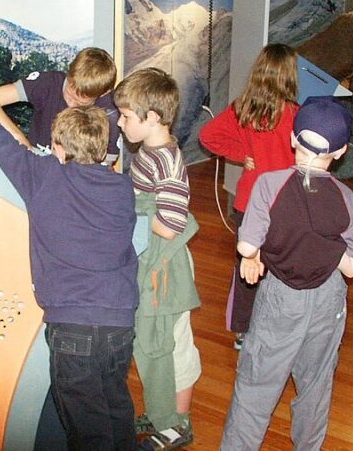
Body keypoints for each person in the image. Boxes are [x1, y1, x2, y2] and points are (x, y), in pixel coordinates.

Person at [0, 68, 141, 450]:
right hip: (120, 323)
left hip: (73, 326)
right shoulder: (122, 188)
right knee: (115, 408)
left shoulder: (43, 177)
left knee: (86, 427)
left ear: (59, 150)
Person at [220, 96, 353, 450]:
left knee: (257, 383)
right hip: (329, 299)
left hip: (281, 298)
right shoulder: (346, 196)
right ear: (341, 151)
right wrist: (324, 245)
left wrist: (254, 255)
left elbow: (246, 246)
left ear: (292, 139)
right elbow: (352, 266)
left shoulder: (269, 184)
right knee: (316, 383)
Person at [113, 68, 201, 450]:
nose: (120, 123)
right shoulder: (150, 152)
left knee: (172, 345)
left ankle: (178, 423)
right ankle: (162, 410)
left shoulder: (165, 160)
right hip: (155, 264)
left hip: (168, 268)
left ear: (150, 118)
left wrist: (133, 208)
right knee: (154, 342)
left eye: (125, 116)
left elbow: (170, 225)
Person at [198, 43, 299, 350]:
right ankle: (278, 326)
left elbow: (207, 136)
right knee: (282, 267)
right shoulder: (295, 115)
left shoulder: (242, 108)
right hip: (284, 204)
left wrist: (242, 154)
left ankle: (242, 330)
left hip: (249, 203)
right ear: (289, 75)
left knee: (246, 267)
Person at [0, 46, 122, 164]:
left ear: (103, 93)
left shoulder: (109, 114)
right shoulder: (48, 83)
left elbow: (105, 166)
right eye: (68, 95)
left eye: (80, 104)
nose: (71, 105)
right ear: (68, 74)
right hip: (35, 160)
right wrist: (21, 141)